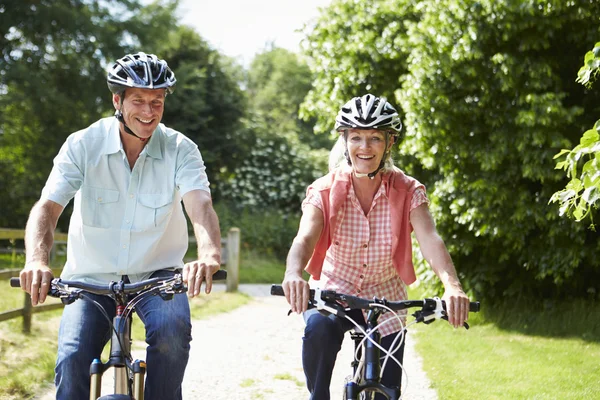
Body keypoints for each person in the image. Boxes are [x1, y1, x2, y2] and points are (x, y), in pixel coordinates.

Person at [16, 52, 222, 400]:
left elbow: (200, 205)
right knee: (71, 359)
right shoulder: (83, 144)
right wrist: (37, 260)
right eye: (138, 100)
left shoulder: (180, 149)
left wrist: (209, 253)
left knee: (173, 335)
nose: (148, 111)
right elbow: (47, 209)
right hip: (89, 279)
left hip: (159, 278)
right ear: (117, 100)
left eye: (156, 102)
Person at [281, 94, 471, 400]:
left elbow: (430, 239)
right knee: (318, 331)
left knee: (387, 394)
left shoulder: (409, 190)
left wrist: (452, 285)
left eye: (375, 138)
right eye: (356, 137)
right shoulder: (324, 190)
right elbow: (304, 238)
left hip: (387, 300)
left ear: (389, 143)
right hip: (334, 293)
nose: (364, 147)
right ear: (344, 141)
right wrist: (293, 273)